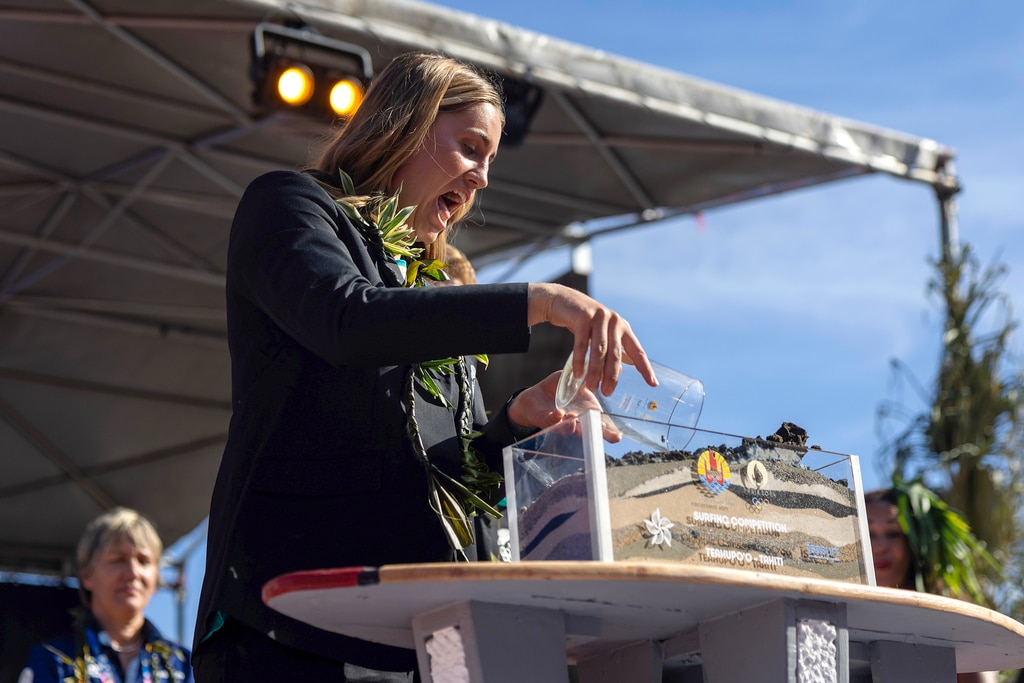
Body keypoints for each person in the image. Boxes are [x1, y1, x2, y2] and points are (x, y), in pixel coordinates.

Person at [192, 50, 654, 682]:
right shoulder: (287, 204)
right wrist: (538, 300)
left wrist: (517, 423)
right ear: (405, 126)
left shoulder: (432, 294)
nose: (482, 178)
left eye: (490, 160)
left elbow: (447, 479)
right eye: (469, 147)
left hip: (411, 637)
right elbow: (347, 320)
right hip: (288, 621)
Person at [20, 507, 193, 683]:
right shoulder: (52, 660)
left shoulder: (183, 665)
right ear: (87, 575)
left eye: (144, 561)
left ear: (156, 578)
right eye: (118, 559)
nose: (133, 572)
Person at [865, 489, 997, 683]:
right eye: (869, 534)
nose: (879, 546)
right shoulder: (827, 602)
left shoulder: (944, 606)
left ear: (916, 541)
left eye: (893, 533)